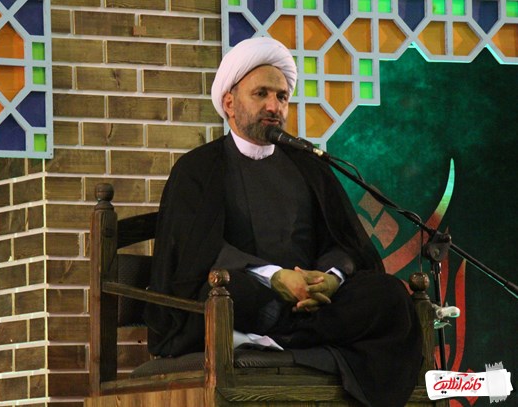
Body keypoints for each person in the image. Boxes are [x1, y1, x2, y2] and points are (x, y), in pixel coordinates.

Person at [143, 36, 422, 407]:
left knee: (388, 295)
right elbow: (198, 253)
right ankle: (291, 335)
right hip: (248, 298)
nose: (274, 106)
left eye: (282, 96)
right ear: (229, 103)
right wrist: (275, 277)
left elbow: (343, 240)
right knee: (230, 291)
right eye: (261, 94)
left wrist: (329, 279)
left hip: (311, 306)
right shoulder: (198, 169)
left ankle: (275, 339)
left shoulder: (307, 164)